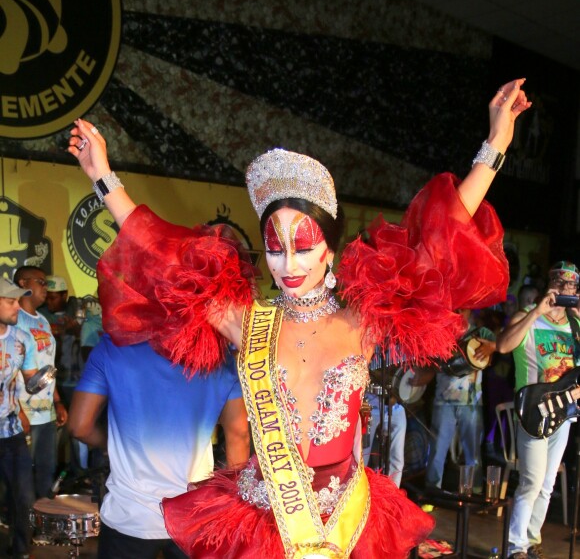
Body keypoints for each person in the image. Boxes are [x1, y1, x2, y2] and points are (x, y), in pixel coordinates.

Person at [67, 79, 531, 557]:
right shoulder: (246, 322)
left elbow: (438, 237)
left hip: (347, 524)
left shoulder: (362, 320)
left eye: (304, 246)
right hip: (263, 523)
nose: (289, 264)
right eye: (275, 247)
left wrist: (495, 143)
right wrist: (102, 175)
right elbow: (159, 251)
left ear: (330, 248)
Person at [67, 334, 249, 559]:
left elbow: (78, 426)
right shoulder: (219, 359)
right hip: (193, 515)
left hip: (129, 515)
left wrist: (113, 441)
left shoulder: (114, 347)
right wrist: (233, 507)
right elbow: (239, 435)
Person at [496, 261, 580, 559]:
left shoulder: (576, 325)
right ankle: (514, 546)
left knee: (547, 483)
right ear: (549, 286)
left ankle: (531, 540)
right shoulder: (528, 317)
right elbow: (503, 346)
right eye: (558, 284)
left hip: (565, 411)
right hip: (533, 410)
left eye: (569, 286)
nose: (563, 290)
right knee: (531, 481)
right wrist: (536, 312)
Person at [421, 309, 496, 491]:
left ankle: (473, 490)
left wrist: (491, 347)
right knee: (438, 449)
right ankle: (432, 491)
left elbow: (494, 350)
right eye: (455, 308)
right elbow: (430, 362)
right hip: (443, 400)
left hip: (471, 401)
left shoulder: (481, 332)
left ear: (470, 310)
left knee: (472, 449)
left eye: (462, 308)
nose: (458, 312)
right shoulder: (440, 333)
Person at [13, 265, 68, 500]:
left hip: (45, 412)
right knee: (21, 473)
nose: (46, 288)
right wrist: (17, 411)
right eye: (41, 282)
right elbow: (10, 369)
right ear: (24, 284)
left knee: (46, 468)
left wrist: (58, 402)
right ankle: (17, 522)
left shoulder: (43, 321)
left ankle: (43, 522)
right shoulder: (14, 318)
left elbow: (48, 366)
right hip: (22, 412)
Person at [0, 278, 38, 559]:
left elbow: (29, 381)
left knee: (24, 498)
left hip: (11, 432)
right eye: (10, 301)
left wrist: (41, 379)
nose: (18, 307)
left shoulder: (22, 339)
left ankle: (21, 551)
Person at [363, 348, 407, 487]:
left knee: (397, 457)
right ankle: (360, 493)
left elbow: (408, 371)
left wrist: (398, 392)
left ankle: (393, 493)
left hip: (396, 406)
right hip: (369, 403)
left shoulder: (400, 345)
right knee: (363, 453)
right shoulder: (370, 344)